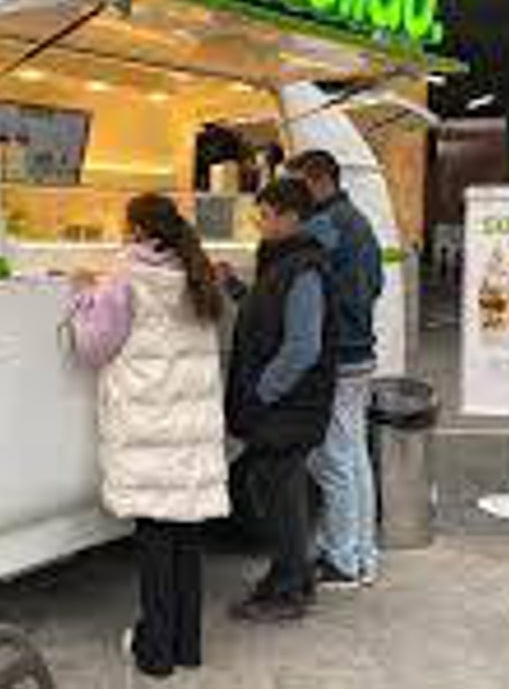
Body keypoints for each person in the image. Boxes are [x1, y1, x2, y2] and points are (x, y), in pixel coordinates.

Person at [69, 193, 229, 680]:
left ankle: (155, 652)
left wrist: (83, 297)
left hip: (147, 430)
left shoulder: (125, 279)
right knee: (186, 539)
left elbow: (92, 349)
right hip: (191, 432)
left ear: (138, 230)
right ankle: (187, 646)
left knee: (156, 543)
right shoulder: (196, 273)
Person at [225, 178, 336, 622]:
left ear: (291, 217)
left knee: (281, 497)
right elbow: (268, 312)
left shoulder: (305, 268)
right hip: (283, 407)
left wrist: (261, 393)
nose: (259, 224)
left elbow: (302, 347)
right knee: (273, 490)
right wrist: (235, 288)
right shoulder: (283, 263)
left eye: (265, 215)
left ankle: (289, 592)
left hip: (290, 406)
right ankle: (290, 577)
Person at [287, 149, 384, 587]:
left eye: (296, 185)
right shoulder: (359, 221)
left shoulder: (323, 226)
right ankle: (362, 552)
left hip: (339, 355)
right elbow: (377, 284)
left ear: (317, 180)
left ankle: (342, 559)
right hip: (361, 350)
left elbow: (304, 288)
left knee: (333, 460)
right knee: (355, 456)